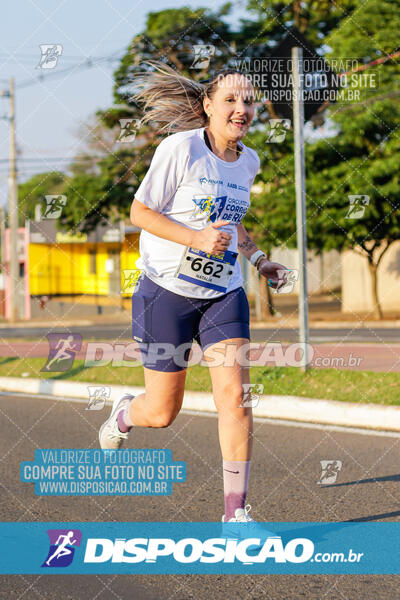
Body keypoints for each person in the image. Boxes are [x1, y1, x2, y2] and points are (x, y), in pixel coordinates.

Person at [99, 62, 288, 525]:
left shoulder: (249, 161)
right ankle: (125, 413)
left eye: (247, 101)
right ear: (207, 105)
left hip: (223, 293)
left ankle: (235, 515)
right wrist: (196, 238)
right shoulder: (180, 149)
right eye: (230, 100)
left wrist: (260, 259)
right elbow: (140, 212)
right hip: (165, 291)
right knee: (162, 412)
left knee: (235, 396)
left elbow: (232, 221)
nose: (241, 109)